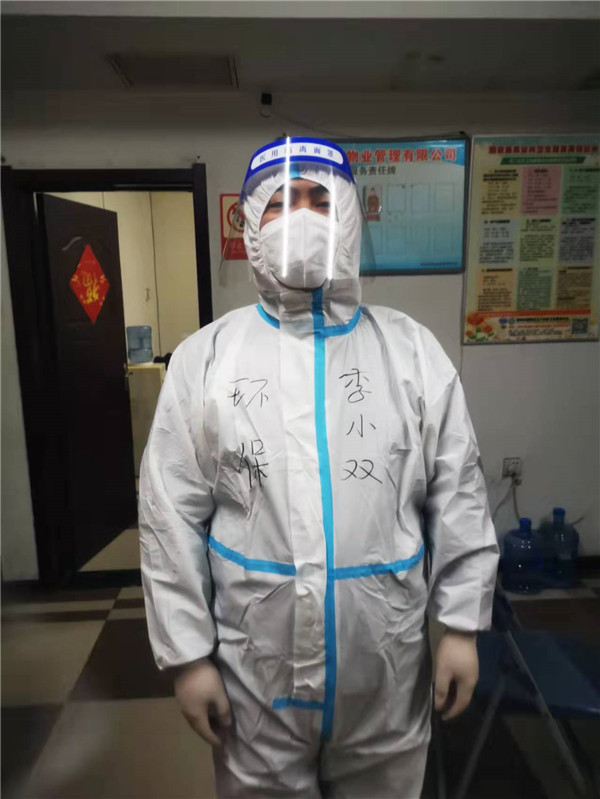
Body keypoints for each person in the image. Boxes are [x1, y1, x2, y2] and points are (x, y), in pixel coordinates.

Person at [139, 137, 499, 799]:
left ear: (349, 218)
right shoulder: (207, 359)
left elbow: (460, 496)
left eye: (318, 200)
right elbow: (170, 516)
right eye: (281, 202)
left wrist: (461, 627)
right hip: (254, 674)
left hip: (385, 670)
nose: (301, 216)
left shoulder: (410, 353)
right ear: (252, 224)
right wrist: (188, 656)